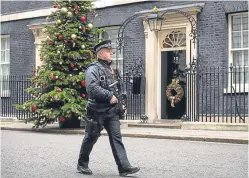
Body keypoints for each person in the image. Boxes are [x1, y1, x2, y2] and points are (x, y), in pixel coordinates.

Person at [77, 40, 140, 177]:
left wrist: (121, 102)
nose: (111, 53)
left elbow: (120, 88)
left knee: (117, 138)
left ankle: (124, 167)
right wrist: (109, 96)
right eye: (108, 51)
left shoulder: (113, 69)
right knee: (91, 137)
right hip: (97, 111)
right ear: (100, 54)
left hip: (112, 112)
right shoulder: (92, 69)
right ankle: (82, 164)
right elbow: (91, 88)